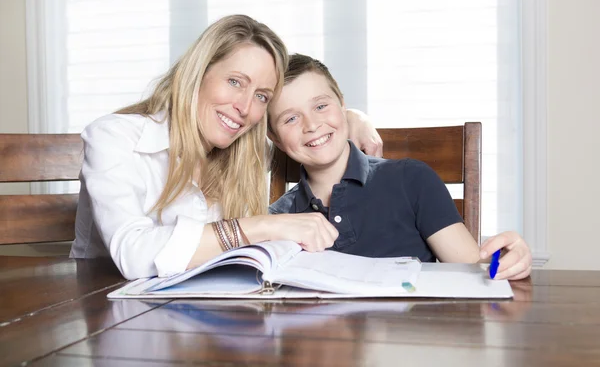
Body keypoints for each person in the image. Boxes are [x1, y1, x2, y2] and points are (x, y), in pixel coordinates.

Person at [70, 15, 382, 280]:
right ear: (197, 73)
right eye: (235, 81)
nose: (245, 107)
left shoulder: (250, 151)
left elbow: (306, 126)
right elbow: (133, 254)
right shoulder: (114, 137)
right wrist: (262, 226)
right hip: (101, 307)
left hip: (207, 315)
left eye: (261, 96)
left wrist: (353, 116)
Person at [267, 54, 532, 280]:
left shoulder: (411, 180)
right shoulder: (276, 220)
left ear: (342, 105)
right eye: (290, 118)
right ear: (275, 138)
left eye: (321, 106)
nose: (311, 125)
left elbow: (476, 272)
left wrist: (508, 261)